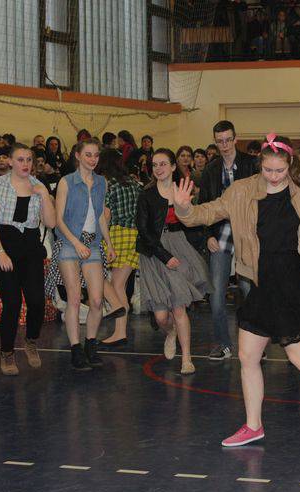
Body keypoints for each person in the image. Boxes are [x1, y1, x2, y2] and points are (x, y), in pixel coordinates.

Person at [175, 134, 300, 450]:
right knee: (248, 355)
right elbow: (207, 213)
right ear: (260, 165)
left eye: (280, 171)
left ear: (289, 166)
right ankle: (253, 426)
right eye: (268, 170)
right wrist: (184, 208)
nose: (274, 176)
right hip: (263, 282)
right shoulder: (241, 191)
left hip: (293, 281)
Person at [136, 148, 210, 375]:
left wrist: (204, 239)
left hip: (179, 247)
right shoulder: (146, 195)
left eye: (163, 164)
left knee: (179, 308)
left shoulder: (181, 191)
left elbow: (194, 219)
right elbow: (144, 231)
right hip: (154, 252)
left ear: (173, 166)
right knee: (161, 316)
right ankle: (170, 332)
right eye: (155, 164)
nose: (158, 168)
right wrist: (165, 256)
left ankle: (186, 358)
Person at [0, 143, 56, 376]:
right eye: (20, 159)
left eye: (29, 159)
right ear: (10, 161)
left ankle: (31, 341)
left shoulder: (38, 185)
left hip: (30, 247)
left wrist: (44, 195)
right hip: (4, 246)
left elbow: (51, 222)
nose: (25, 164)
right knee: (12, 303)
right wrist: (0, 252)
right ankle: (6, 352)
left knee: (37, 302)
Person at [53, 139, 122, 372]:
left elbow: (100, 215)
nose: (93, 159)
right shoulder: (66, 182)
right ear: (78, 156)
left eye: (96, 155)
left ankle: (91, 343)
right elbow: (58, 220)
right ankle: (75, 348)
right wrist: (75, 243)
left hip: (92, 243)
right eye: (88, 155)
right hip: (69, 243)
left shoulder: (102, 182)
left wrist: (108, 244)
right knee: (74, 298)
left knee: (96, 300)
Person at [197, 120, 258, 361]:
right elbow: (203, 206)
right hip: (220, 232)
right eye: (219, 141)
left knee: (250, 291)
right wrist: (208, 235)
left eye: (228, 140)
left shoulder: (251, 164)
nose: (224, 145)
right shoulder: (211, 170)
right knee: (216, 292)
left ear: (235, 139)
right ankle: (223, 344)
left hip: (246, 232)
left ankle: (256, 345)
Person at [99, 148, 142, 347]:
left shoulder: (108, 184)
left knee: (111, 283)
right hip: (134, 235)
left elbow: (106, 215)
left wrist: (103, 238)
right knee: (120, 285)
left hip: (117, 233)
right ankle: (120, 331)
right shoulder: (134, 183)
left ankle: (119, 331)